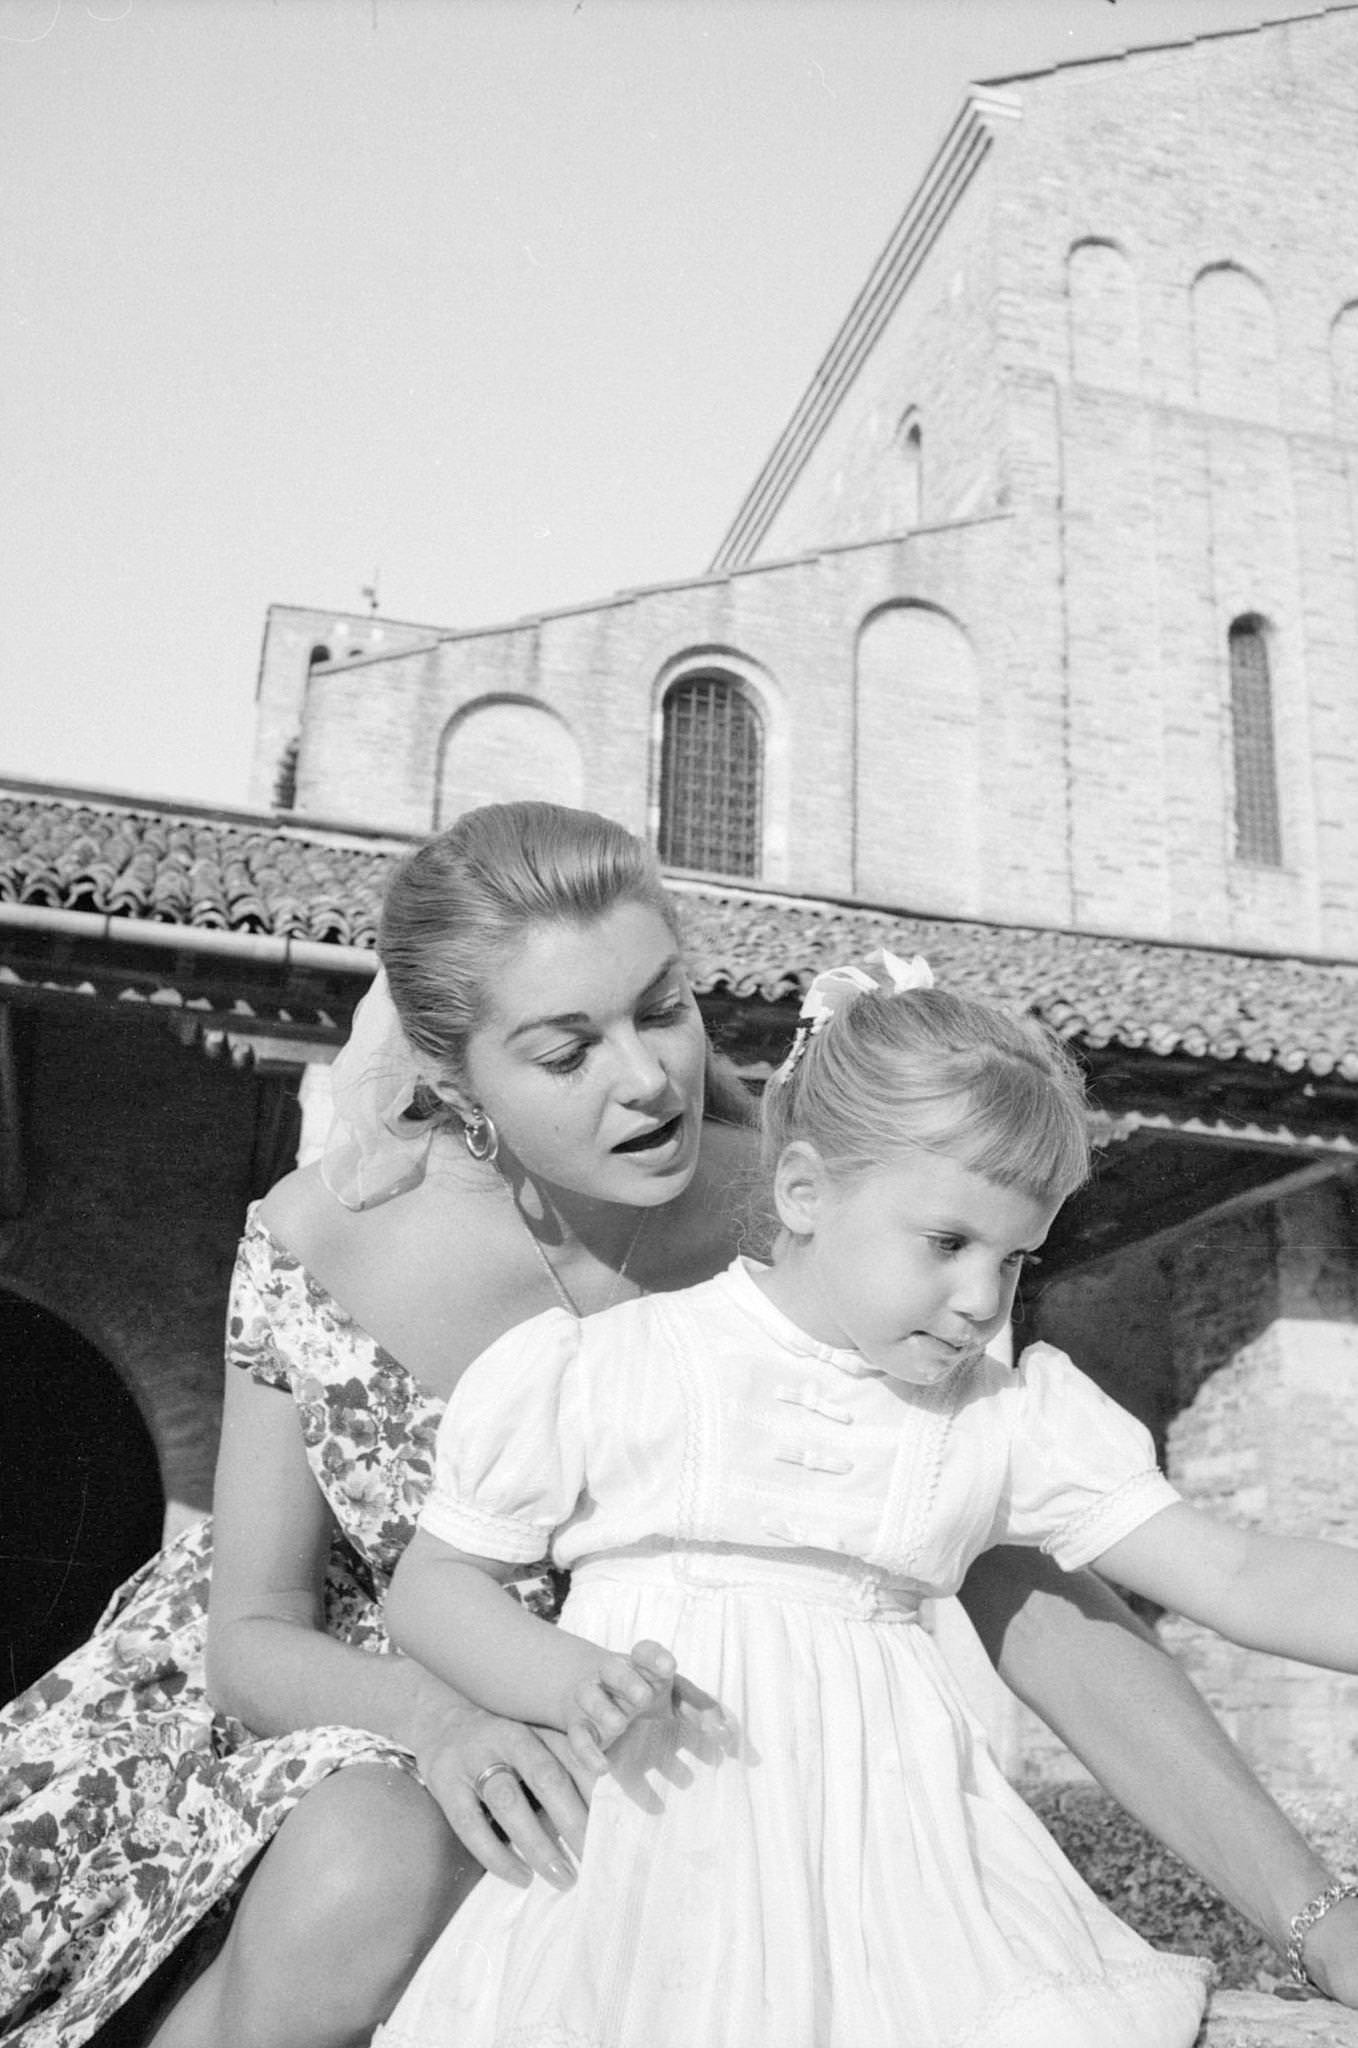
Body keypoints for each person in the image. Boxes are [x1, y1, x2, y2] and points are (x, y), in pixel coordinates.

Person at [1, 804, 1354, 2048]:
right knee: (369, 1850)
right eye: (566, 1049)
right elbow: (252, 1631)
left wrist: (1311, 1914)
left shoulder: (835, 1220)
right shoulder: (321, 1241)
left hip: (687, 1743)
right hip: (358, 1697)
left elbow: (1019, 1562)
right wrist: (441, 1719)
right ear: (454, 1076)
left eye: (663, 1009)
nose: (648, 1078)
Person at [377, 952, 1358, 2048]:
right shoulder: (612, 1365)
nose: (981, 1300)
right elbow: (432, 1587)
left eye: (1014, 1258)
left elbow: (1233, 1571)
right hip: (648, 1851)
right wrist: (558, 1675)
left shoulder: (999, 1417)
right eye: (947, 1243)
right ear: (803, 1192)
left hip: (899, 1879)